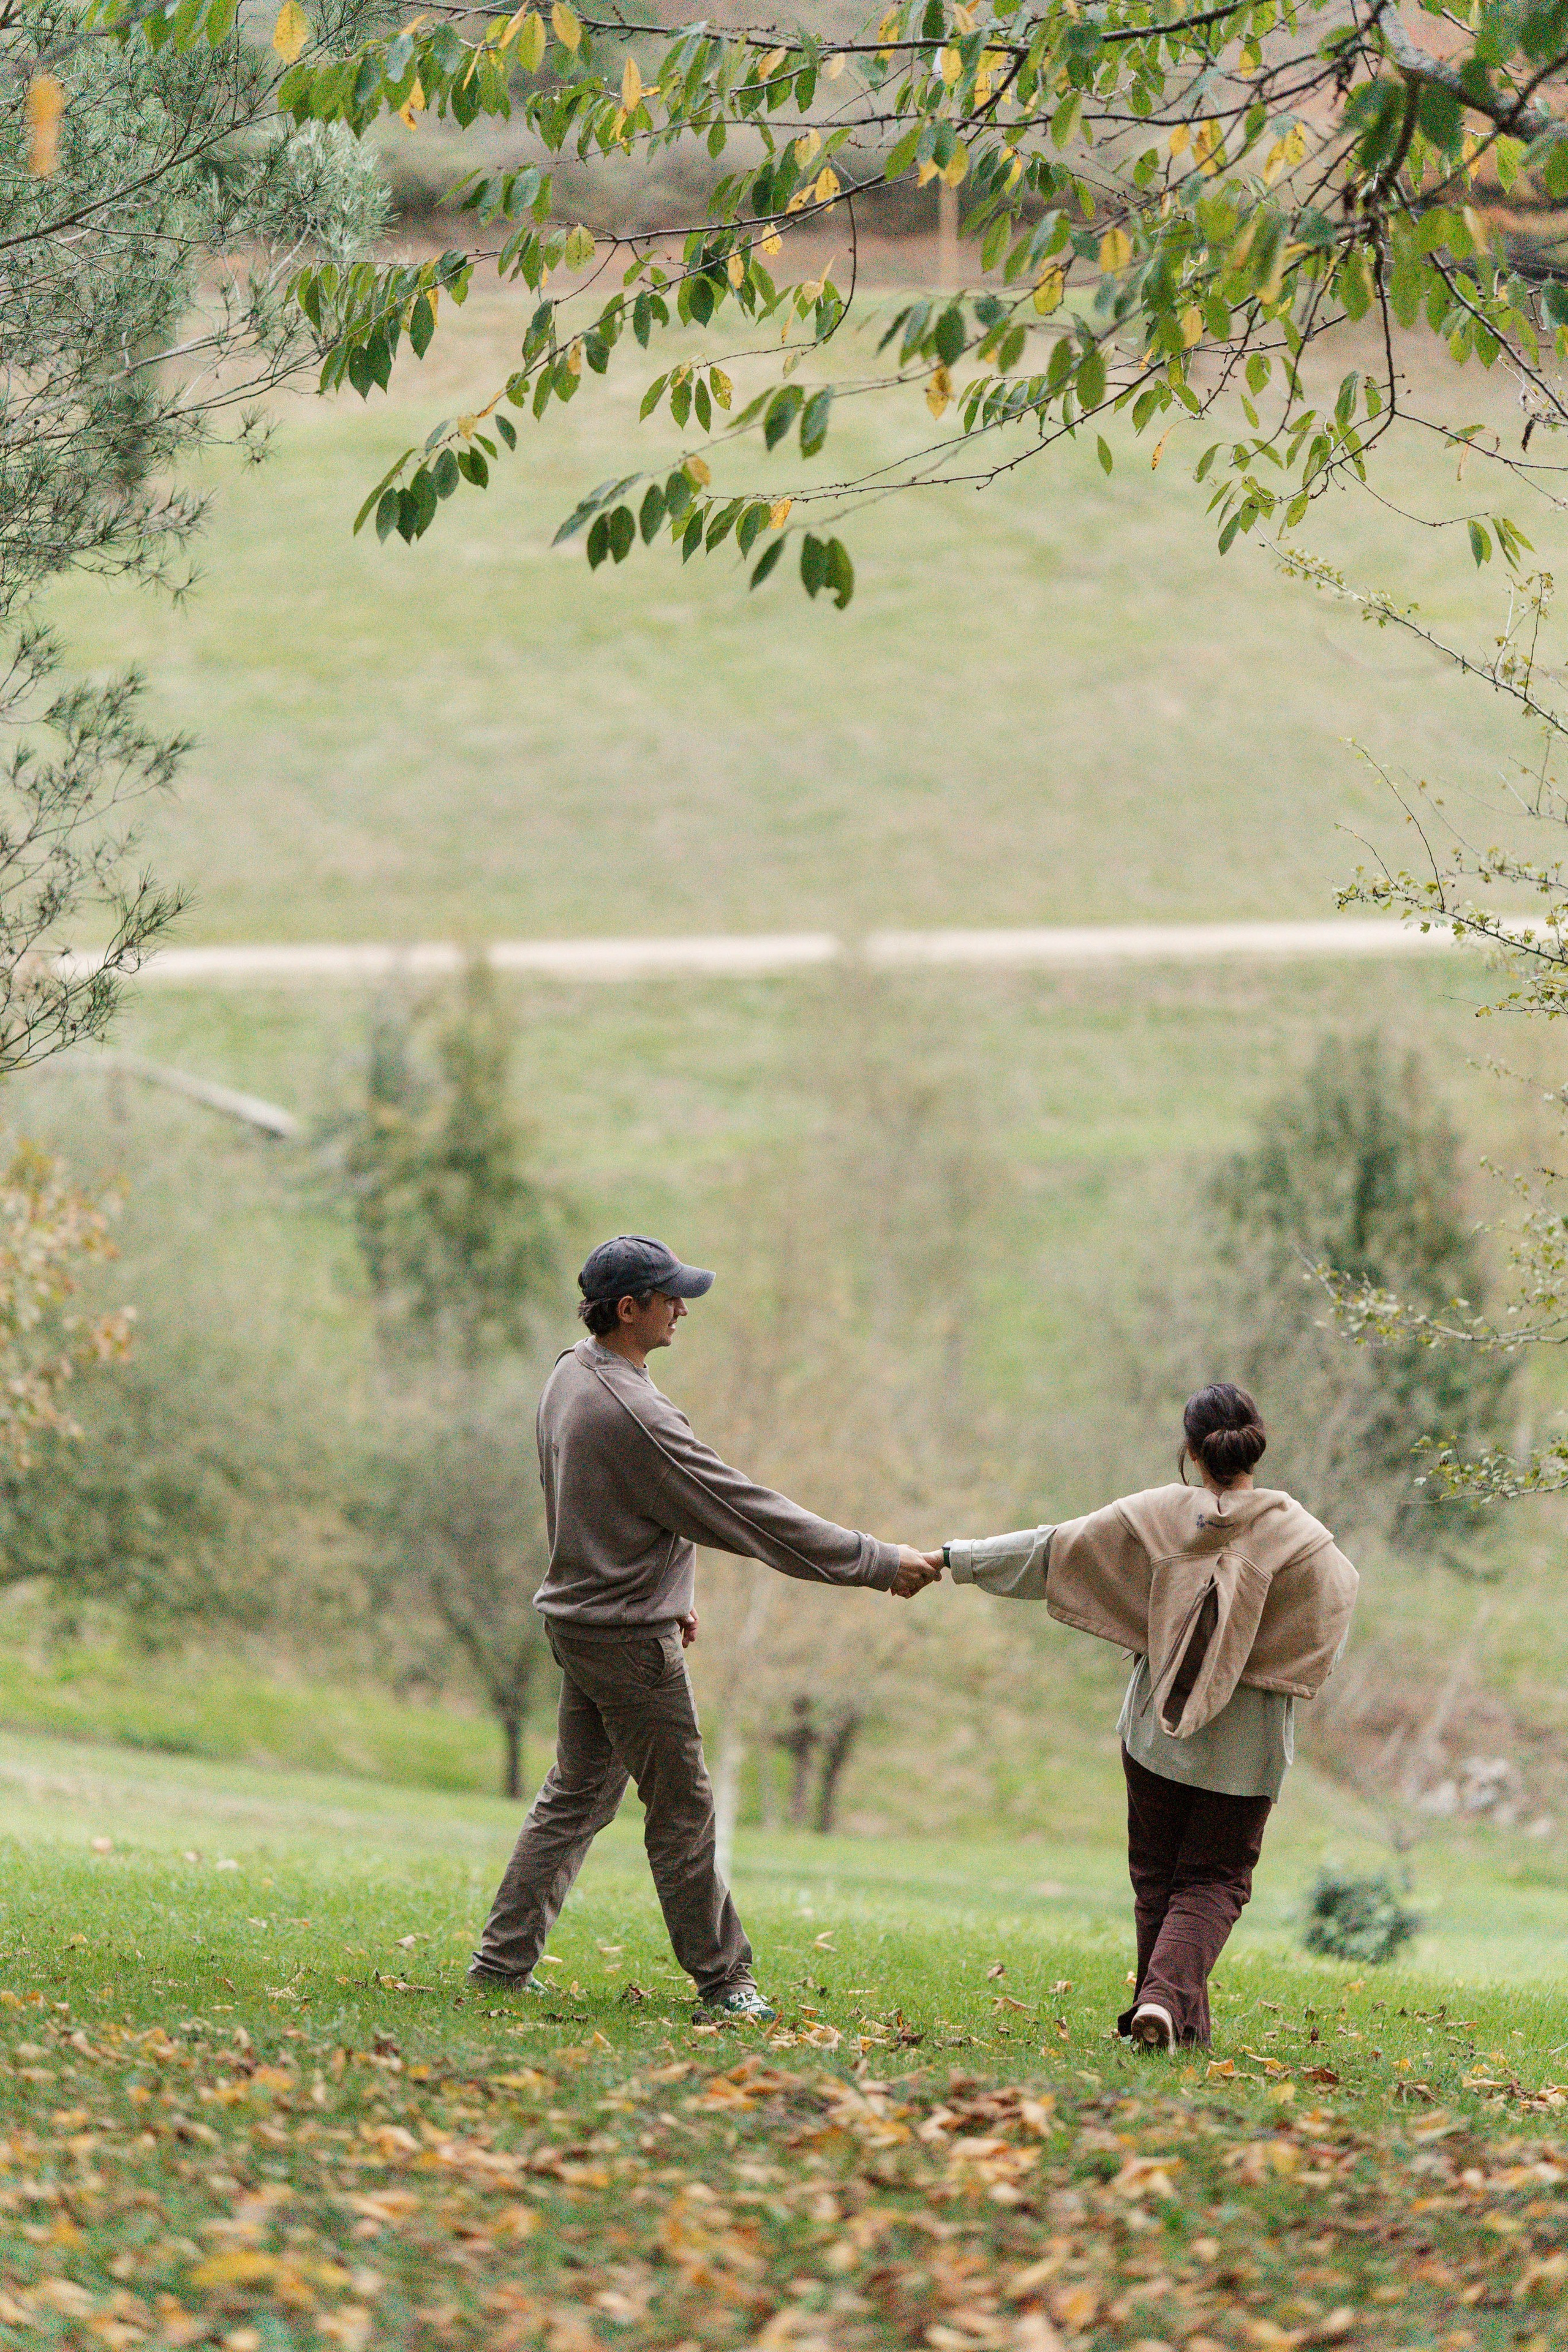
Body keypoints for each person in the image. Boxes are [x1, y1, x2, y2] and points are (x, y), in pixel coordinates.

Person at [468, 1234, 940, 2024]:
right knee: (682, 1812)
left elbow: (598, 1501)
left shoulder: (571, 1373)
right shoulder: (636, 1413)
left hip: (581, 1620)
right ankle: (725, 1984)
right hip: (624, 1641)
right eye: (670, 1297)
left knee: (575, 1796)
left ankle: (501, 1963)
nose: (683, 1308)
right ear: (629, 1309)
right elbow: (746, 1512)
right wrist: (876, 1561)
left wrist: (665, 1584)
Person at [930, 1383, 1358, 2051]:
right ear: (1255, 1443)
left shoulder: (1154, 1517)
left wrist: (955, 1559)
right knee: (1214, 1880)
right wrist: (1263, 1659)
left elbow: (1052, 1550)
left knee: (1159, 1879)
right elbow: (1334, 1604)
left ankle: (1163, 2014)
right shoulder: (1303, 1540)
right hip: (1246, 1750)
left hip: (1156, 1733)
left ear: (1190, 1449)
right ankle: (1165, 2010)